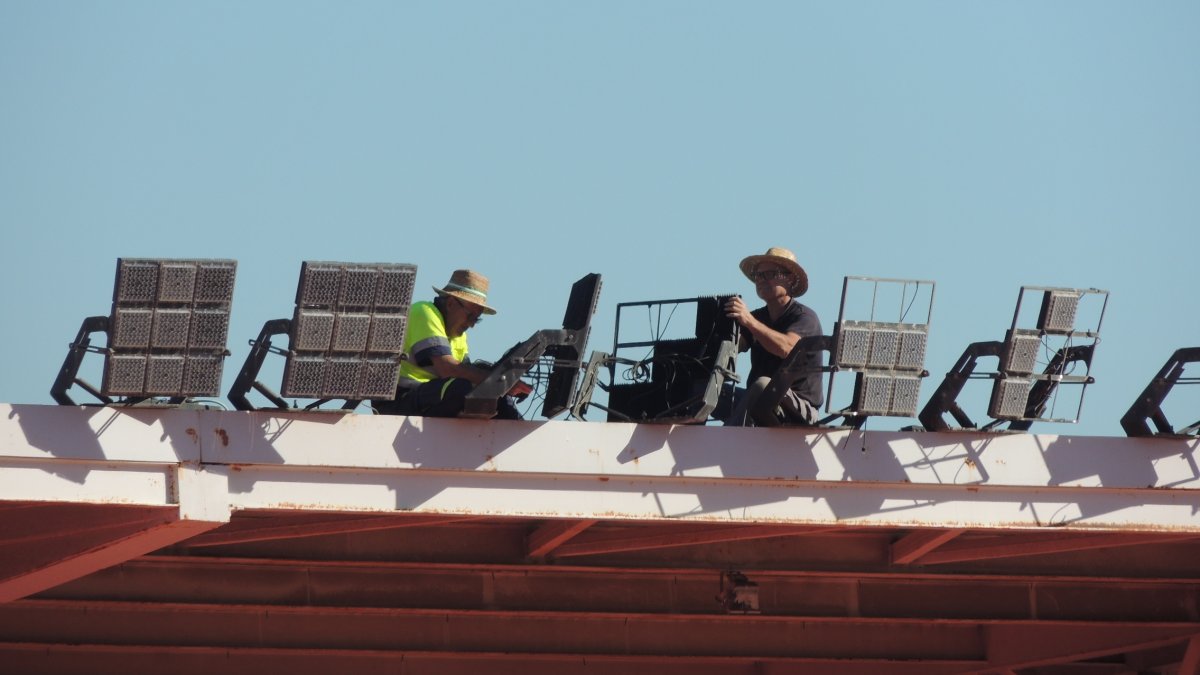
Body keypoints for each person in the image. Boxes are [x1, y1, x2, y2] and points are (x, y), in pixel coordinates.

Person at [374, 269, 530, 419]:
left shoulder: (458, 334)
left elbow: (467, 372)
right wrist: (500, 381)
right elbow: (447, 368)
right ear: (450, 304)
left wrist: (500, 383)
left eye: (476, 319)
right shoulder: (424, 311)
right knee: (462, 388)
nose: (471, 324)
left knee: (499, 397)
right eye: (470, 316)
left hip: (426, 396)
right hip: (399, 399)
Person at [722, 247, 824, 426]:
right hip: (759, 401)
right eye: (758, 275)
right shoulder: (758, 317)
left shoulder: (805, 317)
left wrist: (749, 322)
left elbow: (787, 349)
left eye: (770, 274)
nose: (761, 280)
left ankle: (724, 444)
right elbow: (732, 347)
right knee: (699, 390)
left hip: (798, 408)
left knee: (763, 386)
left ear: (790, 279)